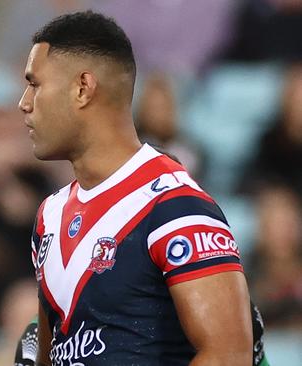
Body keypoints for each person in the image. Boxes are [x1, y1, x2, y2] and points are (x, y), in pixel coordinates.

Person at [18, 11, 254, 365]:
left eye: (35, 84)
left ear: (82, 88)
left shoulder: (175, 205)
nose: (24, 102)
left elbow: (229, 355)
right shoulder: (48, 216)